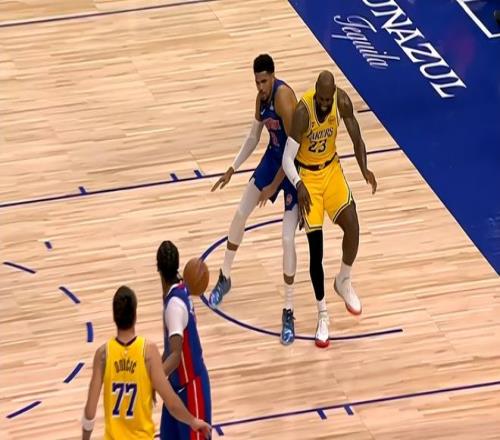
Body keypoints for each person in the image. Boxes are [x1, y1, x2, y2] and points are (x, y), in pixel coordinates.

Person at [282, 71, 377, 348]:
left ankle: (343, 280)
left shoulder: (341, 101)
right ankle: (322, 315)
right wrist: (299, 184)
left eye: (328, 99)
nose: (325, 104)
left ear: (333, 93)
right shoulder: (303, 112)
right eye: (321, 99)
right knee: (317, 252)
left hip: (331, 170)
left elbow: (357, 138)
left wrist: (364, 169)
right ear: (316, 93)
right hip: (308, 178)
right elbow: (287, 158)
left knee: (353, 226)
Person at [209, 53, 299, 345]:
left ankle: (288, 310)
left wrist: (273, 186)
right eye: (257, 82)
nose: (260, 87)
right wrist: (232, 168)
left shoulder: (284, 99)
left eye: (264, 81)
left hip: (294, 166)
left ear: (273, 76)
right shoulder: (261, 100)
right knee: (240, 213)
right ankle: (225, 277)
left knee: (287, 239)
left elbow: (295, 150)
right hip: (273, 159)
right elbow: (253, 137)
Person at [82, 286, 211, 440]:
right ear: (135, 316)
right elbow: (171, 403)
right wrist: (193, 421)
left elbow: (90, 411)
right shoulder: (148, 352)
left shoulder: (103, 354)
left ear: (114, 316)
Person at [157, 241, 212, 440]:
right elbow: (169, 349)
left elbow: (175, 355)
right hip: (176, 388)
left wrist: (154, 379)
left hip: (191, 388)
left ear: (158, 268)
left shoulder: (174, 305)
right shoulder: (178, 291)